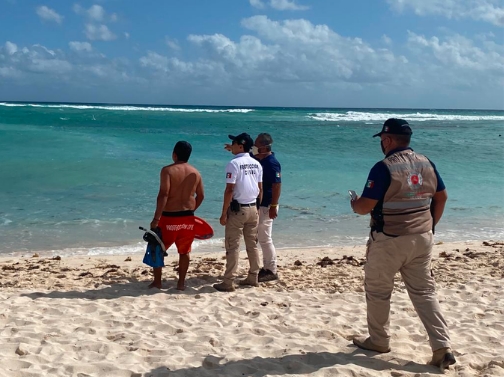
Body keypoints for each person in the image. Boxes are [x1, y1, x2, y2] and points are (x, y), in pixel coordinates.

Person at [349, 118, 456, 370]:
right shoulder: (426, 162)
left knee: (378, 290)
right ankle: (441, 346)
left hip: (390, 238)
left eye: (382, 140)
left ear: (387, 140)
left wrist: (354, 204)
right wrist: (430, 226)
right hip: (422, 237)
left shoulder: (383, 167)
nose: (382, 144)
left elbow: (365, 207)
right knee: (424, 292)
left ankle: (379, 340)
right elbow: (442, 197)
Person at [149, 141, 205, 291]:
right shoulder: (196, 172)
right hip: (188, 218)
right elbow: (201, 196)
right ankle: (181, 283)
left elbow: (164, 194)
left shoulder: (167, 171)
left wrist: (156, 218)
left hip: (169, 218)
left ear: (174, 154)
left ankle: (158, 282)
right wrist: (191, 210)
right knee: (185, 251)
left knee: (157, 249)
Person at [213, 133, 263, 292]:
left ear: (240, 146)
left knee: (233, 245)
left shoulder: (233, 164)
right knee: (252, 245)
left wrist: (223, 212)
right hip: (253, 208)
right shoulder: (256, 164)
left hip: (238, 209)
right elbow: (259, 188)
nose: (231, 145)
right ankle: (253, 276)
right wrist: (258, 208)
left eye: (233, 143)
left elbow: (229, 189)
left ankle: (228, 281)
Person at [252, 133, 282, 282]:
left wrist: (274, 205)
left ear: (263, 147)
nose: (254, 147)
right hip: (260, 204)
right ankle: (263, 267)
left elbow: (277, 185)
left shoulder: (272, 163)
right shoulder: (259, 159)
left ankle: (271, 269)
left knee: (265, 238)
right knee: (259, 237)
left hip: (268, 205)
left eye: (256, 144)